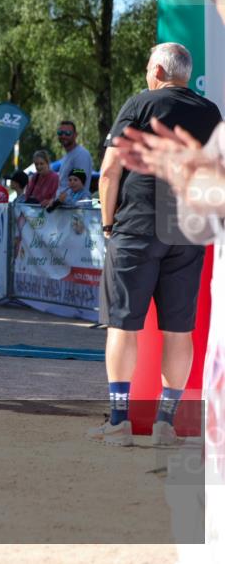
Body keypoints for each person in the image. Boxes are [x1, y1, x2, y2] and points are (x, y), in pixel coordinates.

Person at [89, 42, 221, 446]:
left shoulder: (140, 103)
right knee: (179, 330)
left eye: (149, 68)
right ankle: (166, 422)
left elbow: (109, 172)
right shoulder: (211, 112)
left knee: (122, 324)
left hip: (137, 226)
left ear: (159, 71)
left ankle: (119, 421)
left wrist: (107, 224)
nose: (148, 74)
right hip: (188, 230)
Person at [43, 120, 93, 207]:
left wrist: (58, 201)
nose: (63, 136)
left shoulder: (81, 154)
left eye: (68, 133)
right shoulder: (67, 155)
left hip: (74, 211)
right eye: (60, 133)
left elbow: (80, 185)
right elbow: (63, 185)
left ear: (75, 135)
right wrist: (54, 201)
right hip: (64, 208)